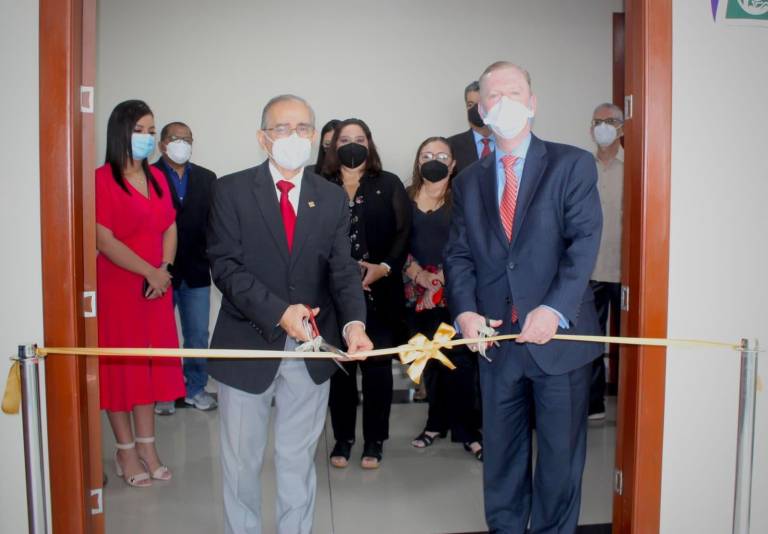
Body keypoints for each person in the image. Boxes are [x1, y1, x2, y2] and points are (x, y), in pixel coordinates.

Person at [444, 62, 603, 533]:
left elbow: (583, 244)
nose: (505, 102)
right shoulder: (469, 181)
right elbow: (457, 256)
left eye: (516, 93)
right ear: (481, 107)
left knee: (559, 466)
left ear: (532, 103)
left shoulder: (571, 164)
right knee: (503, 463)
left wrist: (554, 309)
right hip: (496, 345)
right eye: (495, 95)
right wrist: (466, 312)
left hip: (561, 343)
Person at [206, 95, 372, 534]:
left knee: (297, 463)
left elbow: (343, 270)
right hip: (246, 347)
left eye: (304, 128)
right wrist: (279, 312)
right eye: (283, 128)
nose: (294, 137)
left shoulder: (331, 198)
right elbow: (225, 267)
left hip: (311, 351)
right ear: (263, 138)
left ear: (316, 138)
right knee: (241, 466)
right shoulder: (231, 190)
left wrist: (355, 325)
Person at [96, 99, 184, 488]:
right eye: (141, 131)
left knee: (149, 368)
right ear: (121, 132)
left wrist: (162, 270)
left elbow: (170, 226)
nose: (147, 138)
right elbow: (104, 239)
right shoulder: (100, 179)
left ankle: (148, 446)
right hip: (120, 287)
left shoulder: (159, 178)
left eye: (152, 132)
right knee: (122, 371)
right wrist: (148, 271)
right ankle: (125, 450)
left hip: (156, 289)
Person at [322, 118, 411, 469]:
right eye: (345, 139)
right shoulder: (319, 185)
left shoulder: (387, 184)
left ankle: (375, 440)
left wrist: (384, 268)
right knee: (340, 369)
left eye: (360, 139)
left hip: (381, 292)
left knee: (376, 369)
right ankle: (343, 438)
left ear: (370, 144)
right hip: (333, 297)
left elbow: (404, 233)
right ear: (333, 146)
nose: (353, 145)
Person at [404, 136, 483, 461]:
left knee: (460, 363)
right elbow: (393, 242)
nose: (433, 160)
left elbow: (474, 243)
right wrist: (417, 273)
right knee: (430, 361)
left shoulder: (463, 198)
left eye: (440, 155)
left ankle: (469, 431)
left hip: (456, 291)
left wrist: (448, 275)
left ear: (452, 164)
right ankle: (434, 423)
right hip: (416, 293)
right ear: (418, 161)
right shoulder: (404, 197)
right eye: (426, 154)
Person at [153, 121, 218, 414]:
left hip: (196, 270)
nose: (182, 143)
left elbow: (214, 224)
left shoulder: (207, 178)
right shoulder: (147, 176)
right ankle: (164, 392)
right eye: (175, 138)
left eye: (187, 139)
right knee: (161, 335)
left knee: (197, 335)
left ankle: (196, 388)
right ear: (162, 143)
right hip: (158, 271)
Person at [588, 102, 625, 421]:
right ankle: (593, 403)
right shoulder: (582, 167)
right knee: (592, 339)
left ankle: (630, 400)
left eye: (610, 121)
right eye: (597, 122)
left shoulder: (633, 169)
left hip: (625, 270)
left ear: (622, 128)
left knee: (629, 340)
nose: (603, 127)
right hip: (591, 269)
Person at [447, 80, 496, 174]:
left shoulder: (509, 144)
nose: (475, 109)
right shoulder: (450, 146)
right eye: (470, 105)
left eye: (480, 104)